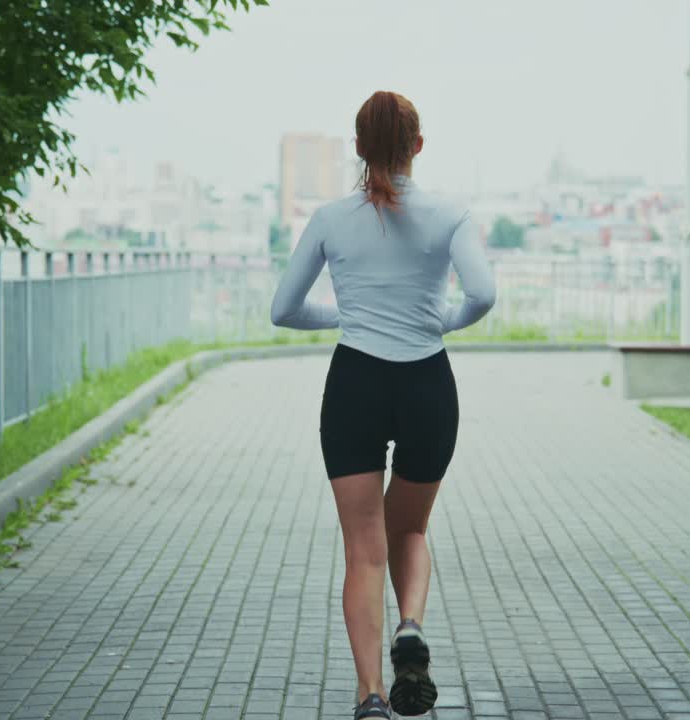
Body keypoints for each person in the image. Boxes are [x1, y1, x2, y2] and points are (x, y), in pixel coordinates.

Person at [269, 90, 496, 719]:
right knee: (412, 526)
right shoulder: (449, 215)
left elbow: (283, 310)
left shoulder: (330, 219)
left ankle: (370, 694)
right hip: (427, 384)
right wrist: (439, 321)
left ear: (360, 149)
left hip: (355, 384)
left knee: (363, 547)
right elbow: (483, 293)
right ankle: (410, 626)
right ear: (417, 147)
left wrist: (350, 315)